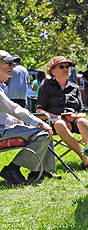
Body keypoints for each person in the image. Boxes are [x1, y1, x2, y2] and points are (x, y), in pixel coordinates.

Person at [0, 50, 59, 185]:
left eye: (13, 64)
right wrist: (38, 122)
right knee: (44, 131)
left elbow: (4, 113)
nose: (12, 67)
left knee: (46, 129)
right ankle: (13, 169)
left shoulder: (2, 86)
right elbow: (13, 108)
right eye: (8, 63)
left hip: (4, 128)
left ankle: (39, 170)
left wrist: (19, 121)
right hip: (1, 131)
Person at [36, 56, 88, 169]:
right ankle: (85, 159)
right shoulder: (46, 85)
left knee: (83, 122)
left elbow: (83, 112)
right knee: (60, 123)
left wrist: (74, 116)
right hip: (54, 121)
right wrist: (58, 117)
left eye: (67, 66)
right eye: (61, 66)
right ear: (52, 70)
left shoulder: (74, 87)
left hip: (73, 120)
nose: (66, 69)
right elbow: (39, 110)